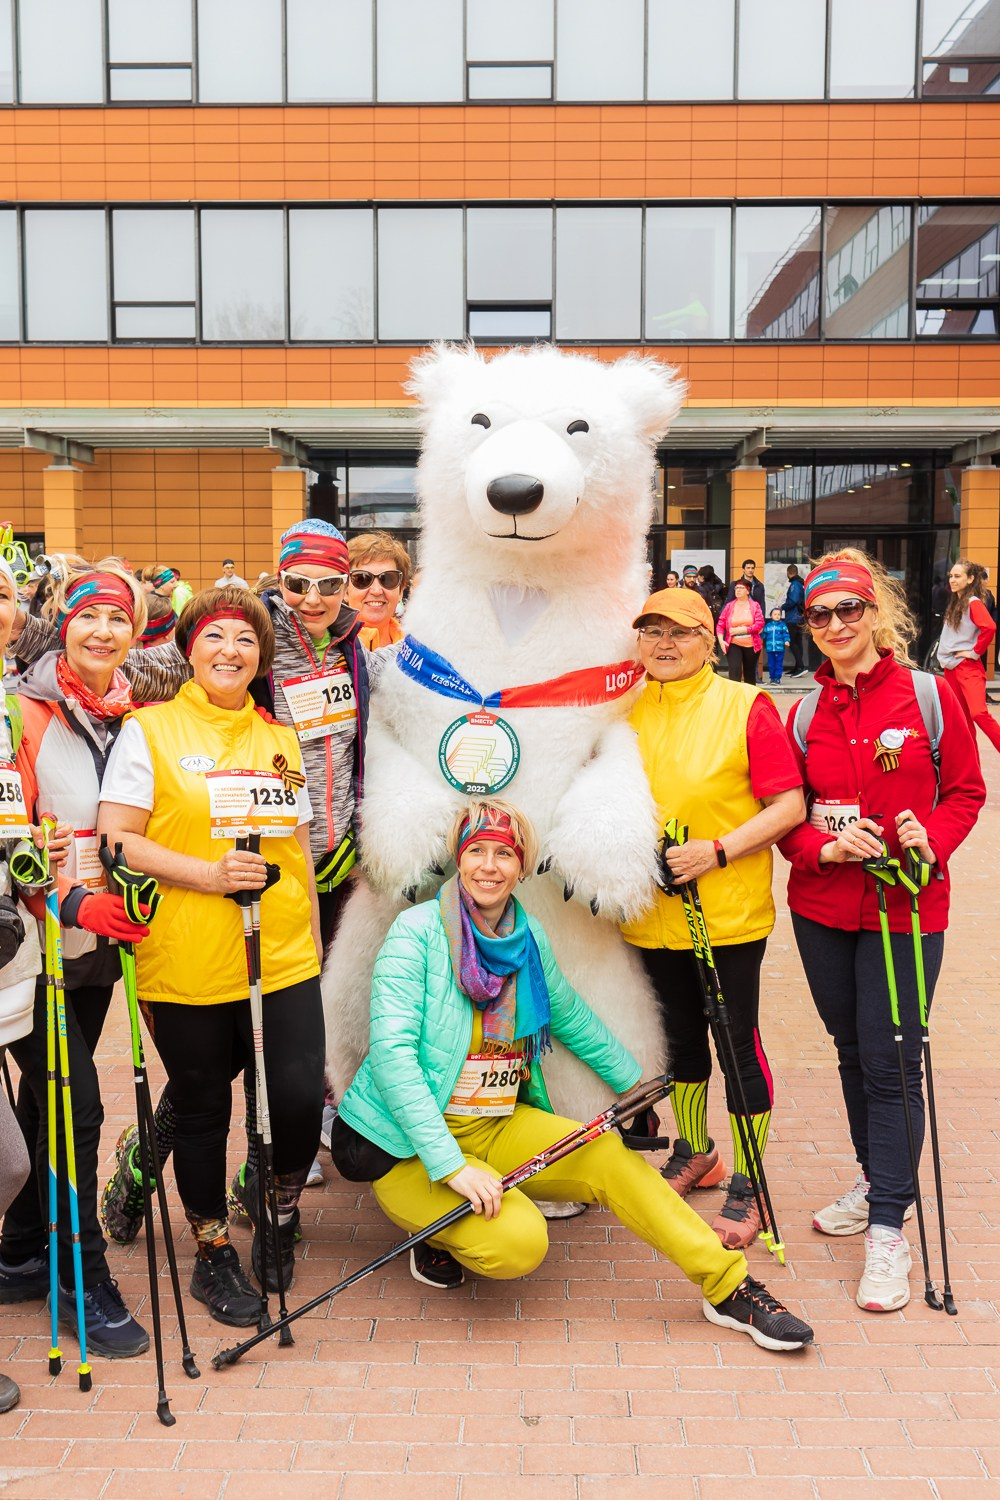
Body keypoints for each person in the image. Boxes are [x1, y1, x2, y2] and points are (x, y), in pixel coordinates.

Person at [332, 797, 813, 1351]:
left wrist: (634, 1082)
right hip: (411, 1147)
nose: (489, 866)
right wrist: (452, 1168)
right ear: (458, 859)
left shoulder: (525, 936)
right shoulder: (415, 935)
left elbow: (569, 1014)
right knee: (518, 1243)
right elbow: (393, 1057)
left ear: (521, 865)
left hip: (492, 1124)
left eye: (504, 855)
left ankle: (727, 1285)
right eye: (477, 851)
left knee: (609, 1154)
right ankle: (434, 1228)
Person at [98, 586, 325, 1325]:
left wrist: (315, 947)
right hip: (189, 954)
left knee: (293, 1100)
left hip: (283, 954)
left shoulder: (280, 739)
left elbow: (297, 849)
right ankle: (211, 1250)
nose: (231, 652)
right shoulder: (149, 731)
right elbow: (115, 841)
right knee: (202, 1106)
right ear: (189, 647)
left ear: (262, 658)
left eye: (247, 641)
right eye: (217, 637)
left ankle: (277, 1206)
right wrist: (207, 875)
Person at [778, 549, 984, 1312]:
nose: (835, 625)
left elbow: (966, 792)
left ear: (875, 614)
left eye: (848, 610)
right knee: (853, 1049)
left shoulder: (928, 698)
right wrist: (825, 845)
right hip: (824, 908)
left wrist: (930, 835)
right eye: (820, 615)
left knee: (896, 1059)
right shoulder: (801, 712)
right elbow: (788, 818)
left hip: (907, 907)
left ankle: (890, 1231)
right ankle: (877, 1179)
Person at [0, 560, 155, 1358]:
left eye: (118, 621)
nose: (102, 632)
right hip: (37, 945)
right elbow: (15, 836)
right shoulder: (21, 713)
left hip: (102, 945)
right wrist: (60, 892)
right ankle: (79, 1275)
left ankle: (21, 1247)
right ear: (65, 620)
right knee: (78, 1109)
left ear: (135, 631)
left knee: (47, 1094)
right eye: (89, 616)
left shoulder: (139, 712)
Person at [621, 587, 805, 1248]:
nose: (665, 644)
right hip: (649, 912)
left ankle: (749, 1180)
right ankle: (696, 1150)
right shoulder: (622, 708)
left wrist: (719, 850)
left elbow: (789, 805)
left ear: (714, 640)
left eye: (683, 632)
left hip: (724, 913)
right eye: (652, 631)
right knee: (678, 1041)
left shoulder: (745, 706)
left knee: (737, 1045)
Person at [937, 559, 1000, 757]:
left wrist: (974, 652)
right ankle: (971, 771)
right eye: (951, 576)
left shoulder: (972, 602)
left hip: (966, 666)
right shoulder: (957, 601)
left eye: (957, 576)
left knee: (978, 713)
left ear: (970, 578)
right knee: (962, 722)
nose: (952, 580)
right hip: (952, 667)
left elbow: (989, 627)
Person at [346, 531, 410, 649]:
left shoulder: (416, 650)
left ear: (401, 590)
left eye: (387, 579)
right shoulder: (326, 651)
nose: (376, 591)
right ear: (345, 590)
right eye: (362, 579)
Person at [717, 579, 764, 685]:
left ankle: (750, 699)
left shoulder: (754, 605)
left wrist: (743, 629)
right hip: (734, 643)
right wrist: (721, 640)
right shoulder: (729, 606)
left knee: (749, 675)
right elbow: (721, 623)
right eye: (736, 588)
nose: (738, 590)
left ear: (748, 591)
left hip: (751, 644)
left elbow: (759, 624)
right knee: (734, 671)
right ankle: (734, 699)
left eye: (741, 588)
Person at [782, 565, 808, 676]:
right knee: (797, 642)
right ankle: (797, 667)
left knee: (793, 642)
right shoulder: (801, 584)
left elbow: (793, 601)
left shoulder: (795, 585)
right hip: (799, 617)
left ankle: (800, 667)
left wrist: (783, 606)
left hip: (793, 617)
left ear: (789, 573)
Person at [762, 608, 790, 685]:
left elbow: (786, 634)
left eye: (779, 614)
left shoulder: (782, 625)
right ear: (771, 616)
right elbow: (764, 634)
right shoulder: (768, 626)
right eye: (775, 614)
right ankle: (772, 678)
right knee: (771, 664)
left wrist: (786, 640)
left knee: (778, 664)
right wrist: (760, 636)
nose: (777, 616)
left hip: (780, 648)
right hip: (770, 648)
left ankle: (777, 678)